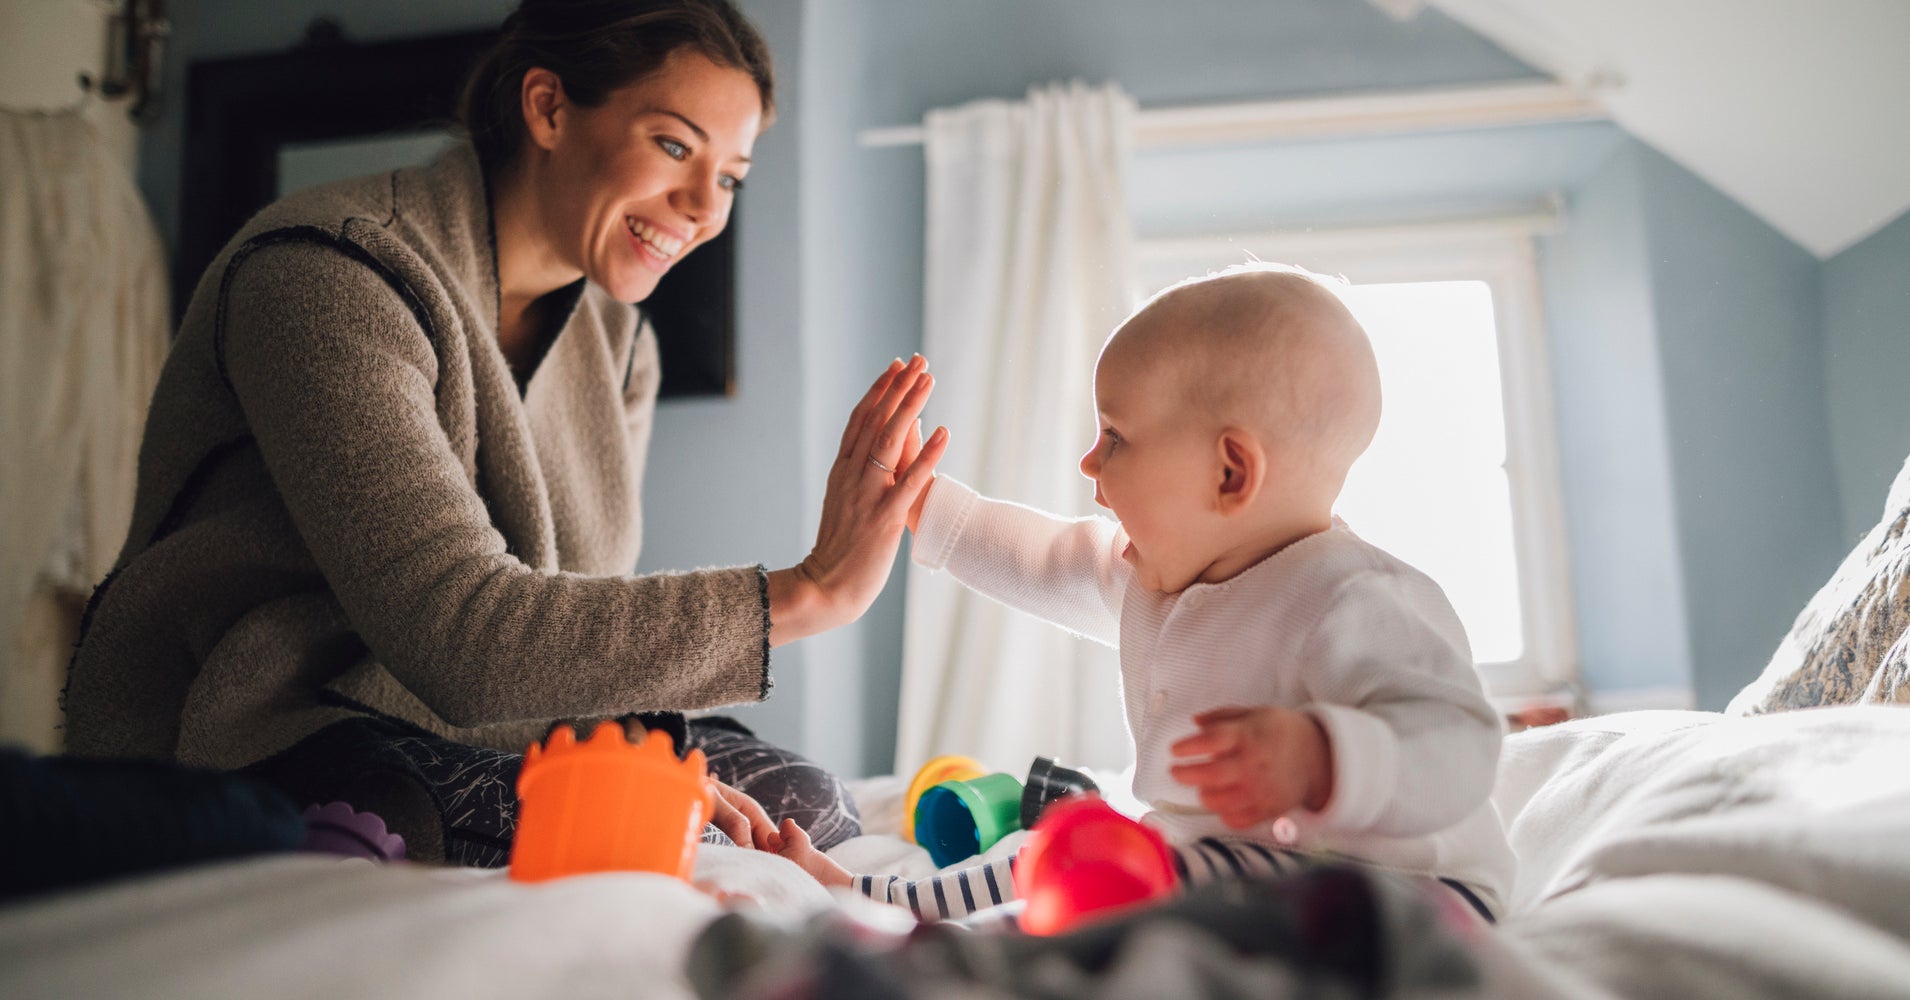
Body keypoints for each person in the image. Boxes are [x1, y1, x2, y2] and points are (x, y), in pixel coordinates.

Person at [61, 0, 948, 868]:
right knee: (617, 837)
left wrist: (632, 750)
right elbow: (462, 636)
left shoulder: (620, 339)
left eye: (729, 176)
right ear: (549, 107)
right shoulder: (325, 274)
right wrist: (810, 590)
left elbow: (573, 616)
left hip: (492, 718)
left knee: (807, 804)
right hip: (265, 723)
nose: (701, 207)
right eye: (674, 145)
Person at [770, 263, 1515, 922]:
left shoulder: (1354, 596)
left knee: (1154, 871)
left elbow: (1461, 745)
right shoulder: (1156, 577)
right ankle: (882, 902)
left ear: (1230, 474)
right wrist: (919, 502)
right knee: (1068, 846)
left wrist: (1321, 755)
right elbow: (1040, 560)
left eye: (1115, 438)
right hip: (1240, 869)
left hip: (1411, 891)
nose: (1089, 464)